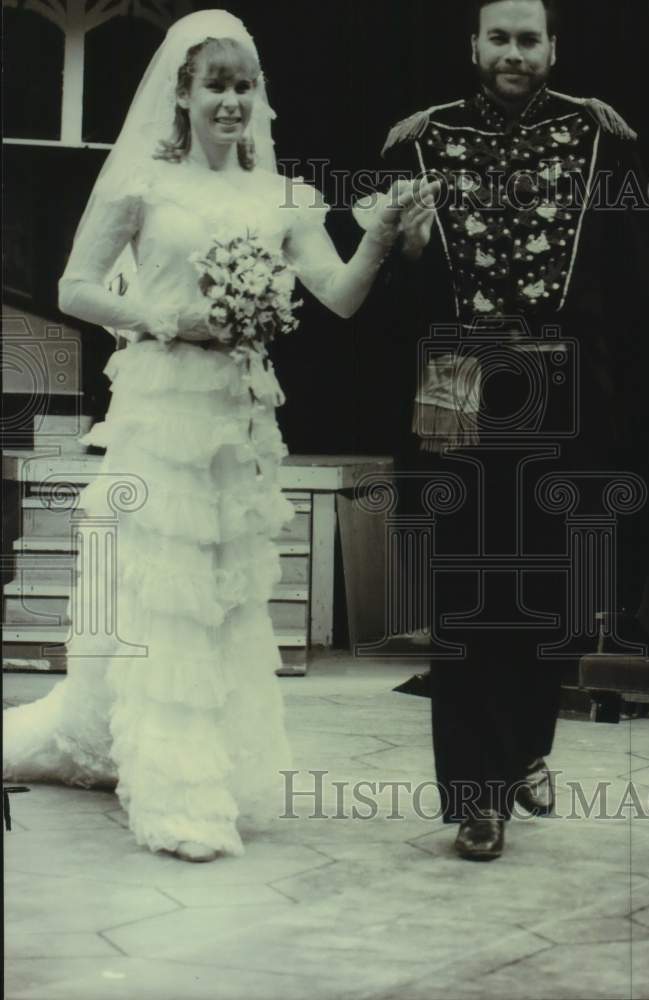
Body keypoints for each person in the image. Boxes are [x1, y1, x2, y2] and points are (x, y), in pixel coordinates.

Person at [3, 10, 435, 862]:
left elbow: (339, 296)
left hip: (239, 421)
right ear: (185, 96)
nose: (232, 101)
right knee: (164, 594)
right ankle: (174, 791)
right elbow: (76, 288)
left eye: (245, 86)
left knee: (222, 598)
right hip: (163, 410)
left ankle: (206, 766)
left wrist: (381, 237)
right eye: (217, 86)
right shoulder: (142, 186)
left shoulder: (279, 195)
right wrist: (167, 318)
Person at [377, 0, 649, 860]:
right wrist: (415, 255)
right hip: (459, 373)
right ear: (472, 47)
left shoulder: (604, 140)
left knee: (547, 592)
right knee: (465, 591)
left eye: (527, 39)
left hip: (563, 382)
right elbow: (373, 296)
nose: (512, 53)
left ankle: (527, 745)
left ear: (552, 49)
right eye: (497, 38)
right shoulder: (417, 143)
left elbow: (639, 285)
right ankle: (475, 797)